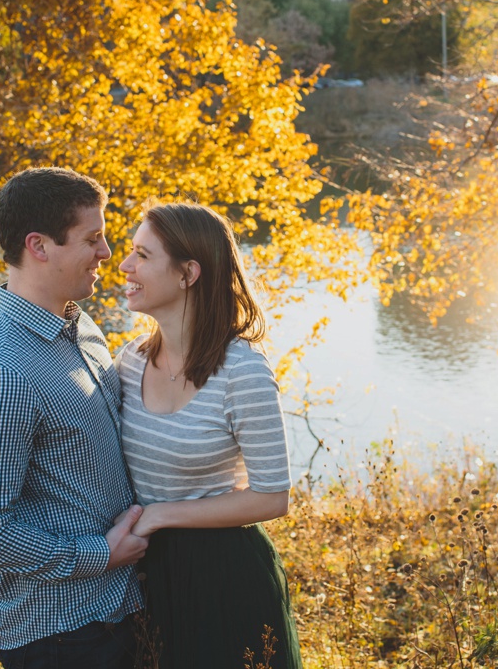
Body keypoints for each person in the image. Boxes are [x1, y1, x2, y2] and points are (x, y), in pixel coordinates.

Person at [0, 167, 148, 669]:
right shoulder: (1, 371)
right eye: (93, 238)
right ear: (39, 246)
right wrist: (99, 555)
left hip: (122, 612)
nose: (107, 253)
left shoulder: (81, 329)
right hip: (63, 637)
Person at [115, 202, 302, 669]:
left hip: (224, 577)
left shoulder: (243, 371)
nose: (125, 266)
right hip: (142, 574)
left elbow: (272, 497)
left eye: (142, 254)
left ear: (187, 273)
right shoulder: (129, 360)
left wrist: (160, 516)